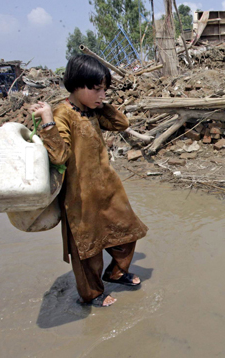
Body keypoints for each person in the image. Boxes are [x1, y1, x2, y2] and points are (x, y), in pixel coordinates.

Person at [30, 55, 148, 307]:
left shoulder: (92, 110)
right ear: (76, 85)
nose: (101, 94)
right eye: (96, 89)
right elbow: (59, 155)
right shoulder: (63, 115)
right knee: (88, 251)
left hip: (107, 188)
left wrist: (99, 102)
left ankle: (116, 272)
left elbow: (121, 123)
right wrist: (48, 119)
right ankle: (92, 294)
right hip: (79, 196)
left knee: (128, 233)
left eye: (104, 89)